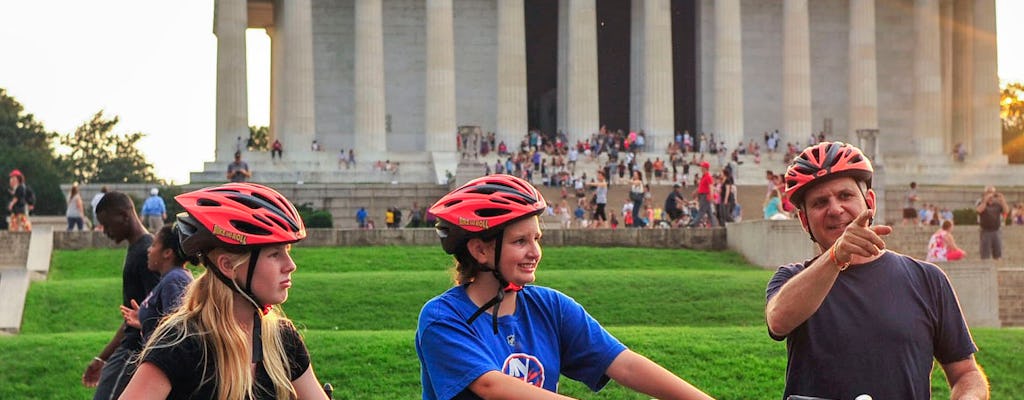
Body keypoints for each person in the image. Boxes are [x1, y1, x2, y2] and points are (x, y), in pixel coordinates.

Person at [417, 174, 713, 400]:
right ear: (481, 250)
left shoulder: (550, 307)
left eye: (537, 239)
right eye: (520, 241)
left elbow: (625, 364)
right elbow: (491, 385)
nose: (535, 252)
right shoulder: (443, 317)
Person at [765, 142, 988, 399]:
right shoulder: (790, 279)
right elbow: (778, 320)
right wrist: (836, 257)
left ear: (869, 201)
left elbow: (966, 374)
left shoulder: (927, 279)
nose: (835, 209)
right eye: (820, 203)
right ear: (804, 221)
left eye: (845, 196)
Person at [120, 183, 329, 399]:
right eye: (275, 254)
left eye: (287, 251)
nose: (290, 265)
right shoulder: (181, 344)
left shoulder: (282, 339)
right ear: (228, 266)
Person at [82, 191, 161, 400]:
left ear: (124, 216)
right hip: (129, 348)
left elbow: (157, 312)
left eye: (107, 225)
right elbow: (132, 316)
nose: (105, 231)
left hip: (133, 352)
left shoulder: (147, 253)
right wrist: (102, 358)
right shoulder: (137, 250)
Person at [120, 225, 196, 340]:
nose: (149, 250)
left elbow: (175, 330)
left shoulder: (174, 280)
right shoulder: (170, 278)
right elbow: (165, 325)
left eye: (154, 245)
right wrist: (145, 321)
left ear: (167, 253)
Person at [975, 185, 1009, 261]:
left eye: (993, 192)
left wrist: (1003, 200)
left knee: (998, 254)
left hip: (996, 230)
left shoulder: (998, 203)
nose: (991, 195)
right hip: (985, 231)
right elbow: (979, 210)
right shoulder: (980, 202)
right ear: (985, 193)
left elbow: (1006, 211)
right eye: (989, 192)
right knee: (985, 255)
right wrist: (985, 201)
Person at [687, 161, 715, 228]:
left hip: (705, 195)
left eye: (702, 167)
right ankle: (714, 225)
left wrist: (711, 196)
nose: (701, 168)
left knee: (702, 210)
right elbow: (700, 187)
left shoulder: (708, 176)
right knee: (709, 212)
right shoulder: (703, 177)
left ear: (705, 168)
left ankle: (694, 222)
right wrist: (695, 192)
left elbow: (711, 186)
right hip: (702, 195)